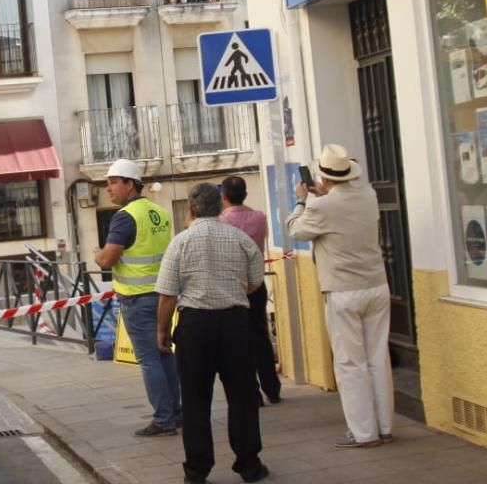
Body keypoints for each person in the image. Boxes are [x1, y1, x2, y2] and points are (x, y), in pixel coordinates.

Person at [155, 182, 269, 484]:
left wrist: (162, 330)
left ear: (191, 209)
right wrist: (232, 291)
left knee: (195, 400)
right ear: (220, 206)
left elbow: (167, 295)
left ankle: (197, 470)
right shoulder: (240, 238)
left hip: (194, 328)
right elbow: (256, 281)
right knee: (242, 396)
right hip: (235, 324)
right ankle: (249, 465)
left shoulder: (180, 243)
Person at [289, 143, 394, 449]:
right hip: (376, 284)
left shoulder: (320, 206)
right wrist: (323, 198)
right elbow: (342, 211)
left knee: (350, 363)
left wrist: (302, 201)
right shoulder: (369, 195)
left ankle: (363, 433)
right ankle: (385, 426)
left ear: (323, 177)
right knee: (377, 358)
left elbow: (296, 230)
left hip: (343, 291)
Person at [94, 159, 181, 437]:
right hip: (164, 295)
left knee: (149, 359)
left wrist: (97, 254)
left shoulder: (124, 217)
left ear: (130, 184)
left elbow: (108, 259)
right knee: (165, 353)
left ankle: (164, 419)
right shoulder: (160, 212)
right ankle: (176, 413)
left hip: (138, 299)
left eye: (113, 182)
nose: (108, 189)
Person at [220, 175, 282, 406]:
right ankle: (272, 387)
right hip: (257, 284)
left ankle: (252, 393)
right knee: (260, 336)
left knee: (238, 342)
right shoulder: (259, 217)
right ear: (245, 194)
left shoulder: (222, 222)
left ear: (224, 196)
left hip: (232, 287)